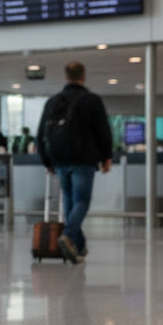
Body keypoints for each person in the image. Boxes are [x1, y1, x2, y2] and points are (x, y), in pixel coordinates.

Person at [36, 61, 112, 264]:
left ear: (66, 76)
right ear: (83, 76)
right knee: (82, 200)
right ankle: (69, 235)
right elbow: (103, 130)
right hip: (84, 159)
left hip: (60, 160)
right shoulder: (91, 100)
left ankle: (78, 245)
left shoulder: (53, 101)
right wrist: (106, 156)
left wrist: (46, 161)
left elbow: (40, 133)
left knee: (69, 200)